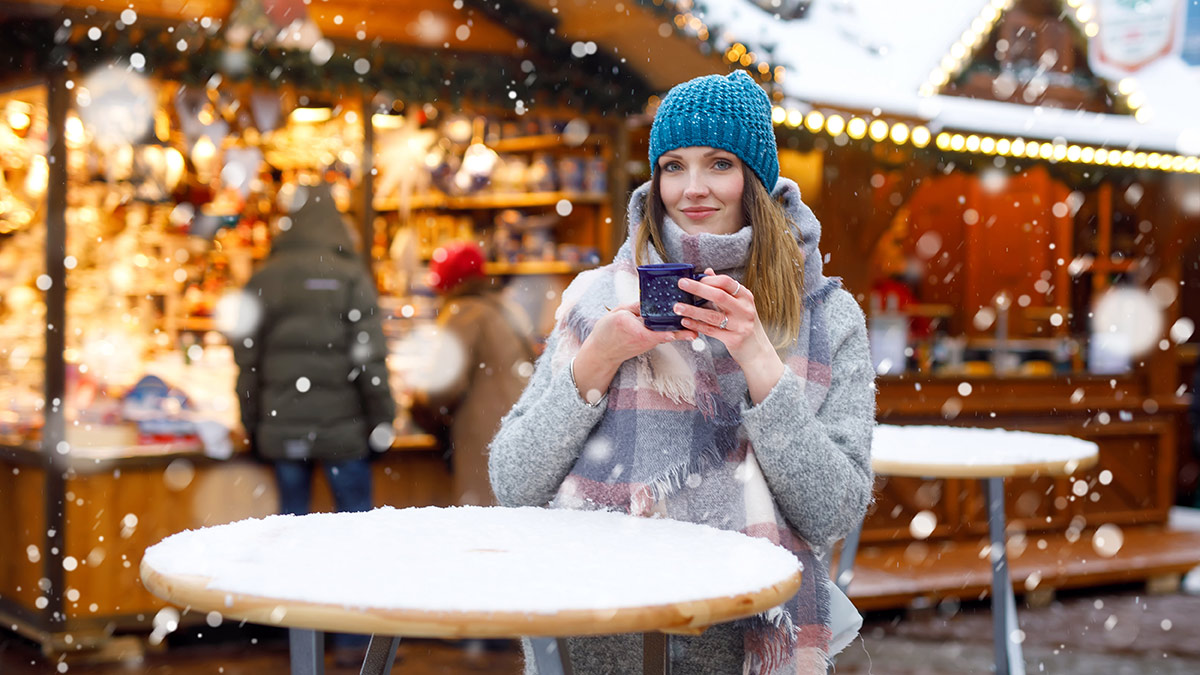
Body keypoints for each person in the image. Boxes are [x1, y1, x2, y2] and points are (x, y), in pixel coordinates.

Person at [489, 70, 875, 674]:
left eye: (719, 163)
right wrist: (600, 356)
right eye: (673, 166)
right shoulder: (597, 298)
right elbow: (514, 482)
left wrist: (757, 358)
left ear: (756, 177)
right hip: (599, 624)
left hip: (745, 633)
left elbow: (833, 511)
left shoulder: (825, 316)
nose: (692, 189)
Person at [232, 179, 395, 663]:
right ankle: (354, 639)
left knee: (291, 534)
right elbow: (371, 360)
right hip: (344, 430)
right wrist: (381, 419)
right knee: (354, 534)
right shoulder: (349, 276)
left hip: (283, 428)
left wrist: (251, 421)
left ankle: (297, 636)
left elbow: (246, 360)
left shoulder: (266, 276)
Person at [411, 240, 535, 506]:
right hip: (519, 430)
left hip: (485, 436)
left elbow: (442, 388)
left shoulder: (462, 313)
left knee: (482, 523)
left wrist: (417, 402)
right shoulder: (505, 306)